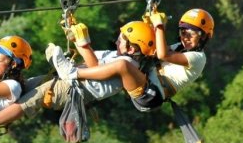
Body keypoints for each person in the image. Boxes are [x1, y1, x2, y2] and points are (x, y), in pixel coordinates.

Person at [0, 20, 156, 135]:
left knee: (37, 95)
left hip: (79, 89)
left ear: (132, 47)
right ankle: (68, 71)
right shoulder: (116, 56)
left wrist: (81, 50)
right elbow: (92, 61)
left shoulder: (129, 66)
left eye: (121, 40)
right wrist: (77, 38)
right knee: (30, 84)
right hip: (73, 81)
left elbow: (95, 68)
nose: (116, 40)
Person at [51, 9, 214, 111]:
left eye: (193, 34)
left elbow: (163, 55)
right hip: (145, 79)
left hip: (150, 95)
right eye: (183, 32)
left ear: (205, 36)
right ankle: (74, 37)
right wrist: (150, 23)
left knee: (122, 64)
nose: (186, 37)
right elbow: (157, 49)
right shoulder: (180, 46)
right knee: (110, 57)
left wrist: (159, 27)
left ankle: (72, 73)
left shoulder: (198, 58)